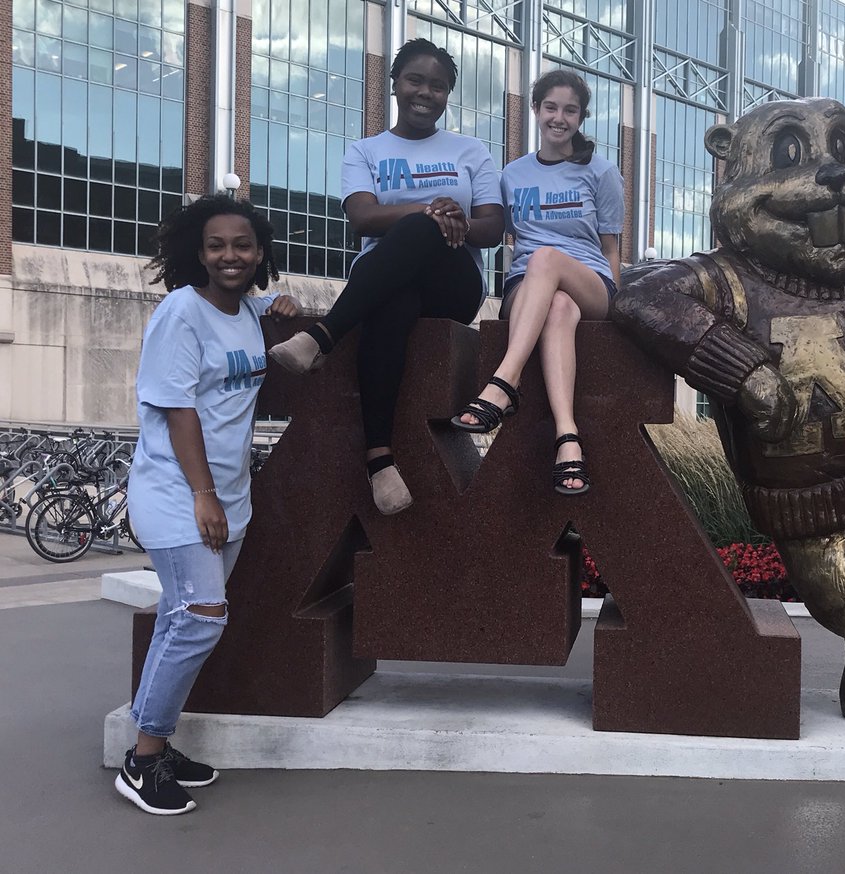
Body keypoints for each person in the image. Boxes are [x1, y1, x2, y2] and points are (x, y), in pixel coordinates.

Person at [118, 195, 299, 814]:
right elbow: (177, 407)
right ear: (198, 251)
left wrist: (284, 310)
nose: (231, 255)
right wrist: (202, 496)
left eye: (242, 245)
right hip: (178, 493)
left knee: (181, 619)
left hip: (231, 496)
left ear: (260, 254)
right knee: (200, 616)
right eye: (217, 245)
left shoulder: (249, 313)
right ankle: (143, 760)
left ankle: (154, 746)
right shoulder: (181, 311)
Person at [268, 39, 505, 513]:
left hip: (453, 284)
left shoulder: (470, 150)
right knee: (393, 302)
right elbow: (361, 218)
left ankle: (323, 335)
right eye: (416, 80)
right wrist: (431, 209)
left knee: (419, 231)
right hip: (385, 284)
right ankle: (381, 465)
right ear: (395, 84)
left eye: (438, 86)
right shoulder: (366, 150)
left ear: (447, 96)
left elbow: (492, 228)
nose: (426, 92)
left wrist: (444, 223)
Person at [451, 69, 624, 495]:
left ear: (581, 117)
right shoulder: (513, 175)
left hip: (590, 283)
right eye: (551, 107)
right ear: (536, 110)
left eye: (570, 110)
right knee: (556, 304)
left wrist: (616, 314)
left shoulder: (601, 173)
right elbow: (497, 232)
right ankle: (568, 440)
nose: (559, 118)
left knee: (546, 259)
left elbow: (612, 247)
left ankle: (504, 382)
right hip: (527, 291)